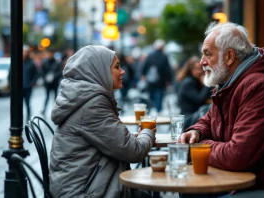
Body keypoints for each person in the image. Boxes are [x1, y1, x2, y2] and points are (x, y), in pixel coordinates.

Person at [179, 22, 264, 194]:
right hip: (254, 180)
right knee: (191, 190)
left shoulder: (261, 87)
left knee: (193, 190)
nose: (202, 62)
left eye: (207, 54)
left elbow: (237, 156)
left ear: (229, 57)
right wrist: (197, 132)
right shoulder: (230, 84)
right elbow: (210, 119)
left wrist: (198, 147)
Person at [49, 46, 155, 198]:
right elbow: (134, 151)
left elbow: (119, 142)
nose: (123, 71)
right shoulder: (92, 105)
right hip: (81, 192)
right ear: (98, 71)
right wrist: (148, 131)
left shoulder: (86, 98)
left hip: (86, 185)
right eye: (117, 67)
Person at [141, 39, 172, 114]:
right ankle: (158, 111)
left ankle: (152, 110)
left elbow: (145, 66)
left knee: (151, 96)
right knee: (159, 96)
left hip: (150, 81)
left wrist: (143, 75)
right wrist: (169, 80)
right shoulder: (164, 56)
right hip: (161, 81)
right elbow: (167, 69)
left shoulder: (150, 55)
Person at [41, 49, 62, 115]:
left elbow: (60, 72)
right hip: (47, 83)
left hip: (55, 83)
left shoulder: (57, 62)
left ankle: (55, 110)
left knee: (55, 97)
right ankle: (44, 109)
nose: (50, 55)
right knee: (47, 97)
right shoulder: (45, 62)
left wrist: (54, 76)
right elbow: (42, 72)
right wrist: (46, 78)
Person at [22, 45, 39, 121]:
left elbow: (36, 74)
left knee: (27, 103)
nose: (24, 53)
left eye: (25, 52)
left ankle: (28, 118)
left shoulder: (31, 63)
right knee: (18, 105)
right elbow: (11, 73)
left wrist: (32, 82)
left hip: (28, 87)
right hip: (19, 87)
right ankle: (18, 118)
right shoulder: (17, 62)